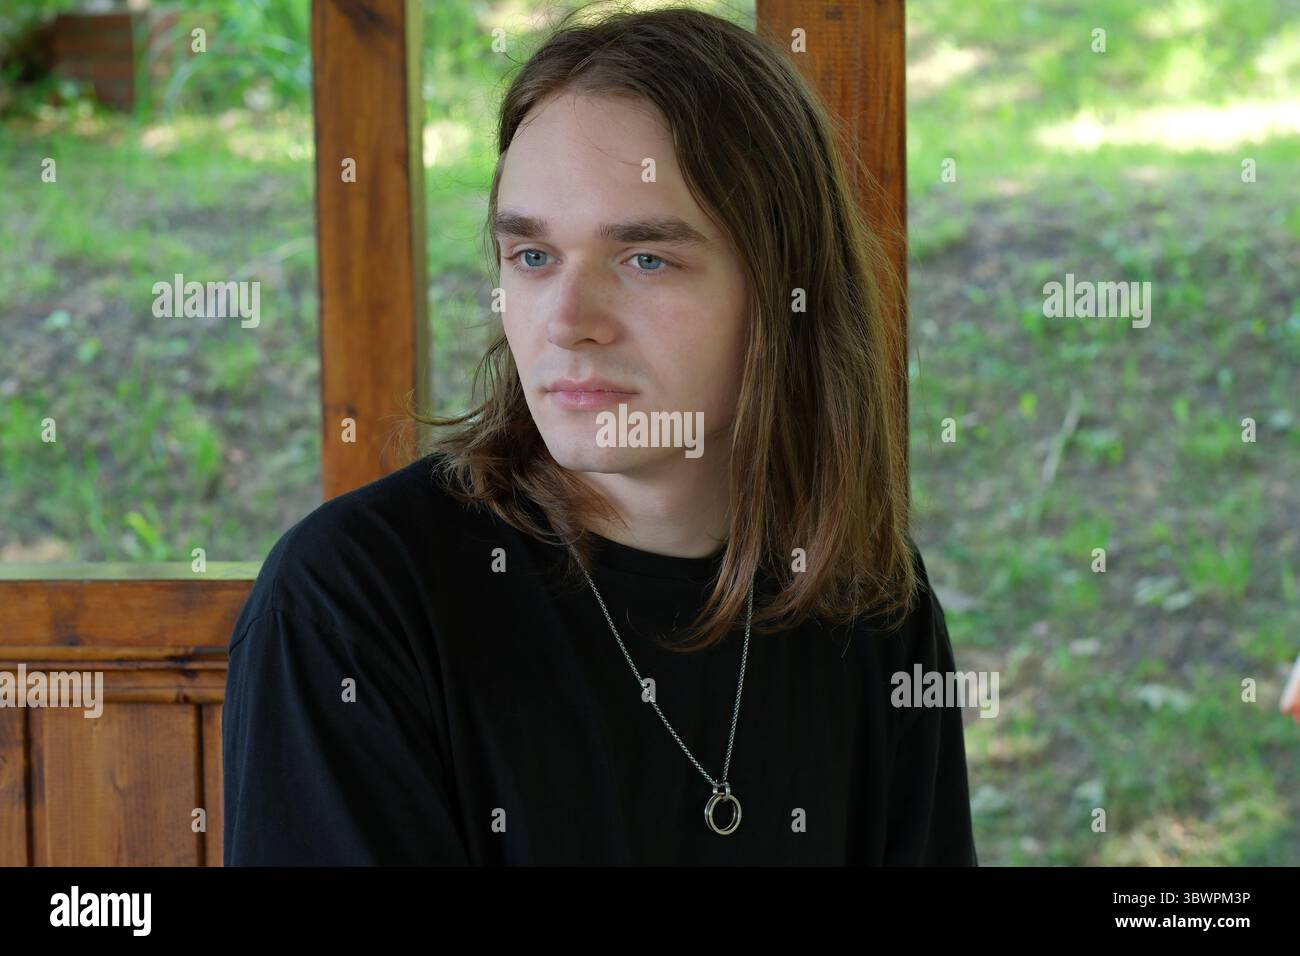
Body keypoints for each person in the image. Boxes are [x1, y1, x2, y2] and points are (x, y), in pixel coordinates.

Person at [222, 4, 978, 866]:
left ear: (783, 290)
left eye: (645, 258)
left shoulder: (866, 593)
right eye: (533, 258)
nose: (567, 321)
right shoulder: (354, 601)